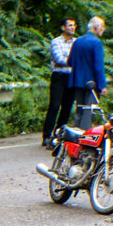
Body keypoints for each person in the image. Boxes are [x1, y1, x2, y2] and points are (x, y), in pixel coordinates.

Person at [41, 18, 77, 146]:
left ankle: (60, 134)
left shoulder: (76, 42)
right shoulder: (56, 42)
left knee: (67, 107)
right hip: (59, 76)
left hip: (71, 77)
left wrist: (69, 60)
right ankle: (47, 135)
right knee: (54, 106)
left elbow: (72, 58)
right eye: (69, 25)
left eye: (74, 25)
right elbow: (58, 58)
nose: (72, 27)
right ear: (63, 27)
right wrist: (71, 61)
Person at [68, 17, 107, 130]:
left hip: (77, 81)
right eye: (102, 27)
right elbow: (98, 66)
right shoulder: (96, 43)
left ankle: (76, 133)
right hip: (91, 83)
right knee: (89, 110)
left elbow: (70, 61)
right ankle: (85, 134)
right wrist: (102, 85)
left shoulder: (77, 41)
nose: (103, 30)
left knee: (79, 108)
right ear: (96, 28)